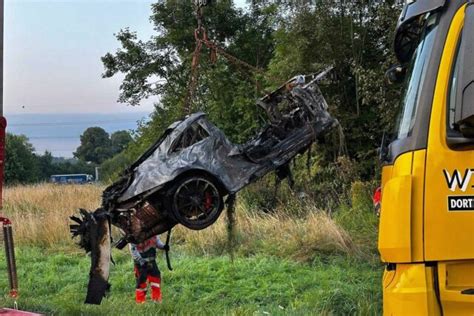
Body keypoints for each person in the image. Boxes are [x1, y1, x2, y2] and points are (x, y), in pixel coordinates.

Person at [129, 235, 169, 303]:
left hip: (152, 261)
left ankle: (156, 300)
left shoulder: (153, 232)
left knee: (156, 280)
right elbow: (133, 250)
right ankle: (140, 302)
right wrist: (141, 261)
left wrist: (163, 246)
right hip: (140, 264)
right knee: (141, 283)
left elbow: (157, 242)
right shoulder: (135, 233)